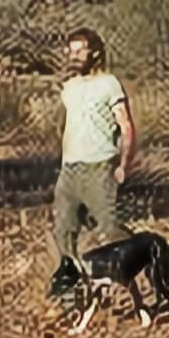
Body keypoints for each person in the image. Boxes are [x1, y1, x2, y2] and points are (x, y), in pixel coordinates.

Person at [47, 27, 138, 300]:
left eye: (79, 51)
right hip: (70, 169)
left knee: (109, 228)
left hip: (99, 167)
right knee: (63, 230)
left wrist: (124, 164)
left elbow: (126, 127)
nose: (73, 57)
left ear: (95, 52)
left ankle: (140, 254)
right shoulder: (69, 88)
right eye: (70, 51)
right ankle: (72, 287)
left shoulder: (109, 84)